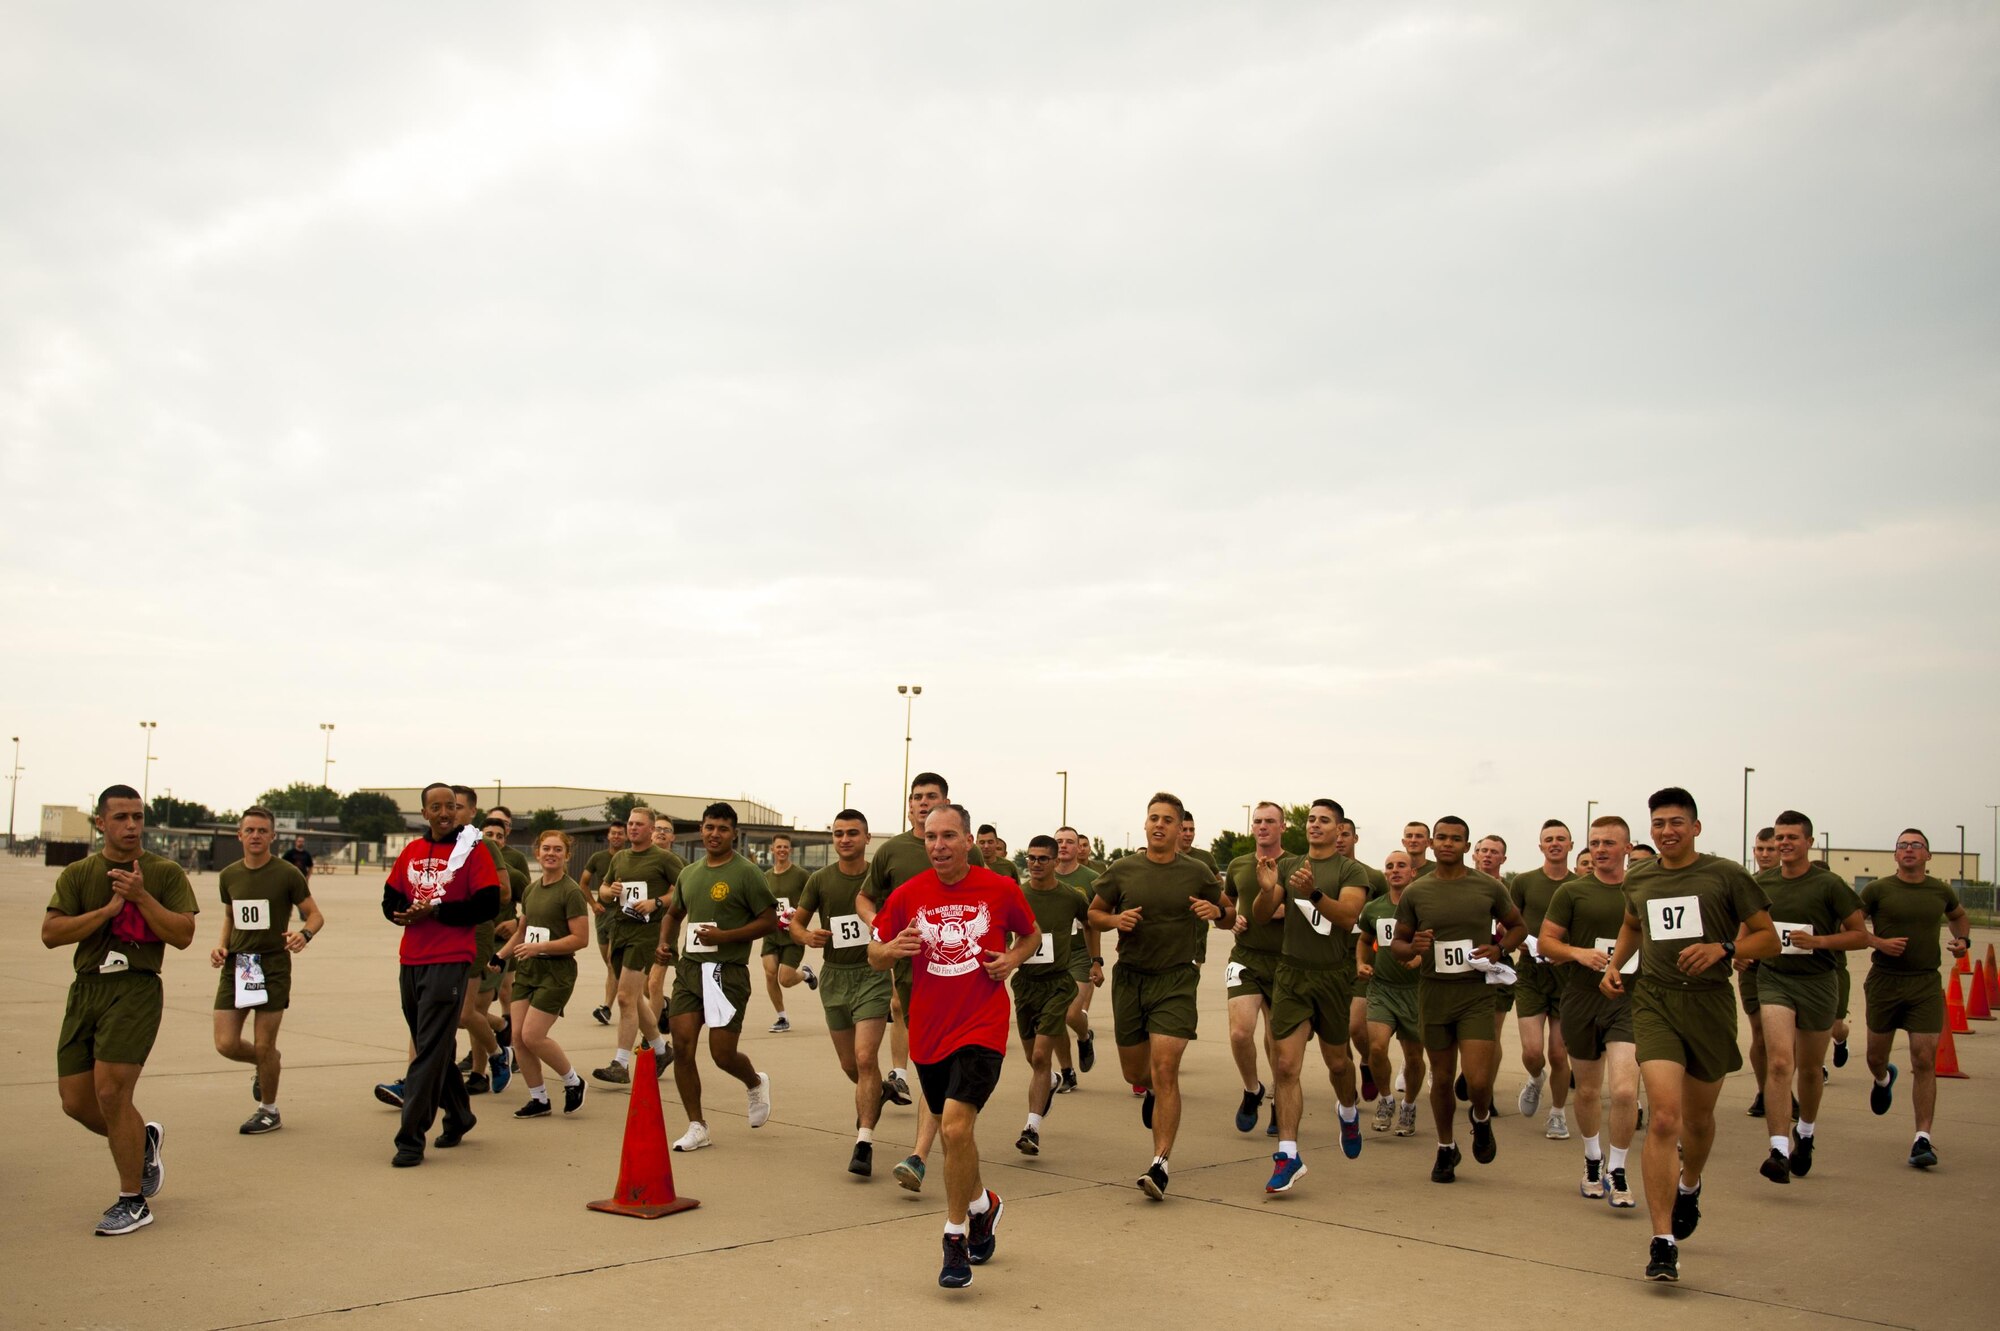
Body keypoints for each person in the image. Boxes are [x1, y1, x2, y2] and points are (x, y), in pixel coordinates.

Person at [1602, 787, 1777, 1283]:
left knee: (1698, 1122)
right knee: (1664, 1119)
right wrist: (1616, 965)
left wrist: (1723, 946)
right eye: (1658, 823)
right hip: (1655, 1002)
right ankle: (1662, 1242)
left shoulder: (1725, 875)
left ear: (1696, 827)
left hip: (1708, 1004)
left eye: (1677, 822)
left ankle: (1691, 1182)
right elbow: (1632, 924)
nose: (1667, 831)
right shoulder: (1642, 876)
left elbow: (1768, 938)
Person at [869, 803, 1038, 1289]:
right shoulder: (907, 895)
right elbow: (874, 953)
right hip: (928, 1032)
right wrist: (891, 949)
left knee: (957, 1126)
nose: (938, 845)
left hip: (982, 1027)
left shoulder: (1001, 889)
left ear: (969, 841)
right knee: (956, 1136)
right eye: (930, 837)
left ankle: (954, 1237)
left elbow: (1031, 934)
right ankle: (984, 1204)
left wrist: (1011, 959)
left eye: (948, 836)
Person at [44, 784, 199, 1235]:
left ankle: (133, 1200)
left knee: (112, 1094)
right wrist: (108, 908)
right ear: (101, 823)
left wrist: (141, 897)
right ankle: (144, 1142)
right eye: (121, 818)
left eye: (137, 817)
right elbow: (51, 933)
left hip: (135, 987)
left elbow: (184, 934)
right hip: (86, 988)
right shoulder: (79, 873)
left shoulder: (164, 872)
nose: (131, 825)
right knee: (76, 1101)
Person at [1087, 792, 1227, 1200]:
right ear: (1146, 825)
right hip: (1131, 979)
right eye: (1153, 818)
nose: (1159, 825)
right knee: (1138, 1073)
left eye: (1168, 819)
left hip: (1177, 979)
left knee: (1166, 1068)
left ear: (1179, 827)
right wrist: (1115, 919)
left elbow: (1231, 912)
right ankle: (1148, 1091)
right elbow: (1094, 913)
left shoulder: (1198, 871)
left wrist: (1217, 913)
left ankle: (1160, 1163)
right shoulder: (1122, 870)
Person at [864, 773, 989, 1188]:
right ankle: (944, 1143)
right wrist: (882, 931)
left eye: (930, 797)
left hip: (962, 981)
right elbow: (866, 898)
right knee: (933, 1064)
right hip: (912, 971)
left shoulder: (966, 852)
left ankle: (920, 1154)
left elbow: (990, 904)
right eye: (915, 797)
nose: (921, 803)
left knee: (952, 1065)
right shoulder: (894, 850)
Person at [1390, 816, 1524, 1184]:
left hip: (1476, 993)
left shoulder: (1487, 887)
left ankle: (1481, 1118)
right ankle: (1445, 1147)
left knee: (1478, 1080)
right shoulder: (1418, 891)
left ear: (1467, 847)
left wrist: (1499, 949)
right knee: (1443, 1078)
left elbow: (1518, 926)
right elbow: (1398, 944)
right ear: (1432, 844)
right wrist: (1411, 947)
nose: (1448, 843)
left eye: (1457, 839)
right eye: (1442, 838)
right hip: (1434, 992)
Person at [381, 782, 502, 1167]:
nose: (445, 813)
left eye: (451, 806)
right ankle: (461, 1114)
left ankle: (410, 1139)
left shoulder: (473, 852)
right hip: (411, 960)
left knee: (428, 1050)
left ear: (461, 811)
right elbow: (390, 898)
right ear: (425, 814)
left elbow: (486, 904)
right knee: (431, 1045)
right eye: (437, 807)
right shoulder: (413, 851)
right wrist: (401, 912)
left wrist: (436, 912)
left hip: (450, 960)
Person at [1254, 798, 1371, 1193]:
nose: (1315, 825)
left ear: (1340, 830)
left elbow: (1348, 917)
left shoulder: (1351, 870)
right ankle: (1288, 1155)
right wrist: (1268, 891)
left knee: (1338, 1064)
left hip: (1333, 978)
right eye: (1311, 820)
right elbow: (1260, 914)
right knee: (1285, 1066)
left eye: (1324, 820)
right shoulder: (1287, 865)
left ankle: (1349, 1110)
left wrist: (1315, 893)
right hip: (1290, 975)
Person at [1750, 811, 1865, 1182]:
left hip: (1818, 981)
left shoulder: (1828, 885)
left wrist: (1819, 942)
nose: (1784, 844)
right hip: (1774, 979)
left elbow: (1859, 934)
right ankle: (1778, 1149)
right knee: (1781, 1062)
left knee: (1811, 1069)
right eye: (1779, 837)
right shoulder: (1762, 882)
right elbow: (1746, 927)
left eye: (1792, 838)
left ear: (1808, 842)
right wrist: (1742, 951)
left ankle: (1807, 1134)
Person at [659, 803, 778, 1152]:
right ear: (701, 829)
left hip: (728, 973)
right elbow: (674, 912)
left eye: (723, 829)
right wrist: (665, 943)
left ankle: (755, 1081)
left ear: (734, 834)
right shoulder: (689, 873)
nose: (715, 834)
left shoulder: (747, 873)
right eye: (710, 827)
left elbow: (769, 921)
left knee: (722, 1054)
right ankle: (697, 1125)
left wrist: (724, 937)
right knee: (681, 1046)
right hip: (691, 971)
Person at [1541, 815, 1642, 1209]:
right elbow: (1547, 943)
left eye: (1609, 843)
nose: (1600, 850)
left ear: (1627, 849)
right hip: (1582, 999)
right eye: (1595, 843)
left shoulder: (1641, 891)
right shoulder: (1571, 892)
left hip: (1629, 1001)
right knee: (1586, 1089)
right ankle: (1592, 1159)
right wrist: (1577, 953)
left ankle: (1618, 1168)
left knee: (1622, 1090)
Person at [1860, 828, 1972, 1169]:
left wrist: (1963, 941)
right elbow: (1850, 926)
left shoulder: (1939, 890)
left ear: (1928, 855)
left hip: (1924, 984)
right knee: (1875, 1057)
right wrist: (1877, 942)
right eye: (1902, 845)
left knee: (1924, 1059)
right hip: (1884, 982)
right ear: (1895, 855)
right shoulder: (1877, 890)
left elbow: (1958, 918)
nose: (1909, 849)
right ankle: (1883, 1078)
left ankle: (1922, 1139)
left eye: (1916, 845)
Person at [211, 806, 324, 1135]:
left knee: (263, 1044)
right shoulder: (229, 875)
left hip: (272, 964)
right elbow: (231, 916)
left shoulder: (287, 873)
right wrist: (222, 946)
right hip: (239, 965)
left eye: (263, 831)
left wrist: (304, 935)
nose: (256, 836)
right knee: (226, 1043)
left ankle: (269, 1110)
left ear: (273, 836)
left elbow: (315, 915)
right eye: (250, 830)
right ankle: (266, 1063)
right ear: (240, 835)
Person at [790, 809, 889, 1176]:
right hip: (834, 977)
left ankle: (864, 1141)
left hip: (872, 974)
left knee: (865, 1058)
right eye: (838, 834)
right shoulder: (820, 879)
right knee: (852, 1065)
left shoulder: (879, 878)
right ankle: (877, 1091)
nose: (844, 839)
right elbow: (796, 925)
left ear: (866, 839)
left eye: (852, 833)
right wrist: (806, 936)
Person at [497, 829, 591, 1118]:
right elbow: (523, 931)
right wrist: (500, 956)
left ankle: (573, 1081)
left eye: (558, 850)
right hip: (528, 969)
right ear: (537, 853)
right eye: (546, 849)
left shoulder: (571, 892)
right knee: (518, 1037)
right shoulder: (531, 890)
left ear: (567, 856)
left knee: (533, 1036)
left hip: (556, 971)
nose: (551, 853)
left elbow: (581, 939)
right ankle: (539, 1099)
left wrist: (541, 948)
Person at [1012, 834, 1095, 1156]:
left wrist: (1096, 959)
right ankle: (1053, 1078)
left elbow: (1091, 923)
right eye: (1031, 858)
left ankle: (1031, 1128)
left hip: (1058, 984)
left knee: (1040, 1056)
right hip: (1026, 984)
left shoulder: (1069, 896)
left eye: (1042, 859)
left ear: (1054, 861)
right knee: (1035, 1059)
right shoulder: (1016, 895)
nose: (1035, 864)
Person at [590, 807, 676, 1084]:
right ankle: (662, 1050)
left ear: (652, 830)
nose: (633, 828)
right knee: (635, 998)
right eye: (630, 823)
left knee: (625, 997)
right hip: (620, 929)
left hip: (645, 932)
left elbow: (681, 890)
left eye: (639, 824)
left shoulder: (664, 858)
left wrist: (657, 902)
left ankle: (621, 1063)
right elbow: (602, 889)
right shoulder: (621, 858)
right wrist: (609, 891)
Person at [1223, 802, 1288, 1137]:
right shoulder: (1238, 864)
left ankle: (1280, 1097)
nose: (1263, 826)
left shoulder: (1295, 865)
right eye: (1258, 821)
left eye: (1270, 821)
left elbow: (1312, 908)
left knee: (1276, 1038)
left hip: (1284, 962)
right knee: (1239, 1032)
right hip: (1245, 956)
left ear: (1282, 827)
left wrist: (1281, 909)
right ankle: (1253, 1090)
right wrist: (1232, 919)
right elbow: (1227, 904)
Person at [1511, 821, 1577, 1140]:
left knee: (1559, 1053)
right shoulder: (1524, 882)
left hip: (1567, 977)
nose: (1554, 843)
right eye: (1548, 839)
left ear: (1570, 845)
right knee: (1533, 1051)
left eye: (1560, 839)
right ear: (1540, 847)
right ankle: (1536, 1078)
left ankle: (1557, 1114)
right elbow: (1509, 922)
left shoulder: (1580, 885)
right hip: (1530, 972)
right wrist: (1518, 940)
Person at [1359, 850, 1427, 1137]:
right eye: (1390, 866)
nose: (1395, 870)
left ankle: (1409, 1105)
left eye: (1402, 865)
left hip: (1416, 992)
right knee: (1376, 1047)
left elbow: (1436, 943)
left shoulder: (1425, 909)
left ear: (1413, 872)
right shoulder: (1374, 908)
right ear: (1385, 873)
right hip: (1382, 988)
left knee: (1413, 1057)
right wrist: (1361, 963)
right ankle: (1386, 1099)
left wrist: (1418, 959)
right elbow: (1364, 940)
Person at [1334, 818, 1390, 1103]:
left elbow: (1387, 914)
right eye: (1337, 833)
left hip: (1362, 960)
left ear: (1355, 839)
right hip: (1329, 960)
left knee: (1356, 1026)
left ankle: (1367, 1062)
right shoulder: (1319, 874)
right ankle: (1346, 1083)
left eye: (1346, 834)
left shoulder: (1373, 877)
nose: (1340, 839)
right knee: (1336, 1031)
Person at [1054, 825, 1103, 1087]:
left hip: (1080, 954)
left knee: (1072, 1012)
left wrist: (1097, 960)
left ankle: (1084, 1036)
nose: (1063, 846)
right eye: (1059, 841)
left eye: (1069, 842)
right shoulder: (1045, 876)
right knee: (1055, 1017)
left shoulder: (1091, 879)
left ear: (1078, 847)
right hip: (1052, 955)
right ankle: (1067, 1071)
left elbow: (1098, 919)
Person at [760, 833, 817, 1033]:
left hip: (793, 934)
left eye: (785, 847)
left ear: (790, 850)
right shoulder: (765, 877)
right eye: (778, 847)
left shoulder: (801, 875)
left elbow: (813, 897)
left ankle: (805, 974)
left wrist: (797, 914)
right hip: (772, 933)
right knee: (769, 973)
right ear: (772, 850)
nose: (782, 850)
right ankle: (781, 1017)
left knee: (785, 979)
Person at [1741, 826, 1780, 1116]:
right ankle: (1765, 1091)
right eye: (1759, 849)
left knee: (1781, 1038)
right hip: (1753, 967)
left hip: (1786, 969)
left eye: (1770, 849)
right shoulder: (1745, 884)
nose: (1764, 855)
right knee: (1759, 1033)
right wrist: (1736, 951)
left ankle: (1781, 1088)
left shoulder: (1790, 883)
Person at [579, 821, 628, 1025]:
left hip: (621, 914)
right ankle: (623, 998)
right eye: (613, 833)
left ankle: (607, 1006)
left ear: (625, 837)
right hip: (602, 914)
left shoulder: (629, 858)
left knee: (611, 961)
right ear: (608, 836)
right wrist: (592, 903)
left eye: (620, 833)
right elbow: (583, 882)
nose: (616, 836)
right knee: (609, 964)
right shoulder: (597, 858)